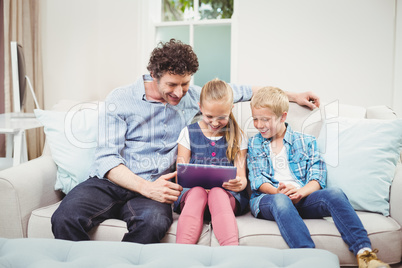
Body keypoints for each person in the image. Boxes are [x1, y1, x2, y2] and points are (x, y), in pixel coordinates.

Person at [51, 38, 320, 244]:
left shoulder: (194, 96)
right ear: (153, 75)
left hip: (160, 185)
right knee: (64, 218)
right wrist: (146, 188)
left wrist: (294, 95)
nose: (179, 92)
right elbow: (107, 159)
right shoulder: (120, 99)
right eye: (171, 85)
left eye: (185, 83)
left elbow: (248, 91)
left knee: (153, 224)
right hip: (111, 182)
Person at [247, 87, 389, 268]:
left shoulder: (306, 141)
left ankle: (365, 254)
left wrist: (300, 192)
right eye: (255, 119)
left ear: (283, 117)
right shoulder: (254, 143)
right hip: (270, 198)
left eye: (265, 120)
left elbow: (317, 177)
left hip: (302, 197)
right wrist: (278, 191)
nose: (259, 125)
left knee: (335, 193)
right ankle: (311, 261)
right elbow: (258, 179)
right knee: (281, 200)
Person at [174, 79, 248, 245]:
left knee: (217, 192)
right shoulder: (188, 133)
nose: (215, 123)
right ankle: (181, 252)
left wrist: (239, 184)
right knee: (198, 192)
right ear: (200, 108)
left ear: (231, 110)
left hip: (226, 198)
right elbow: (181, 177)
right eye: (209, 116)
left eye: (221, 117)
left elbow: (242, 177)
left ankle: (231, 250)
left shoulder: (238, 136)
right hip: (192, 196)